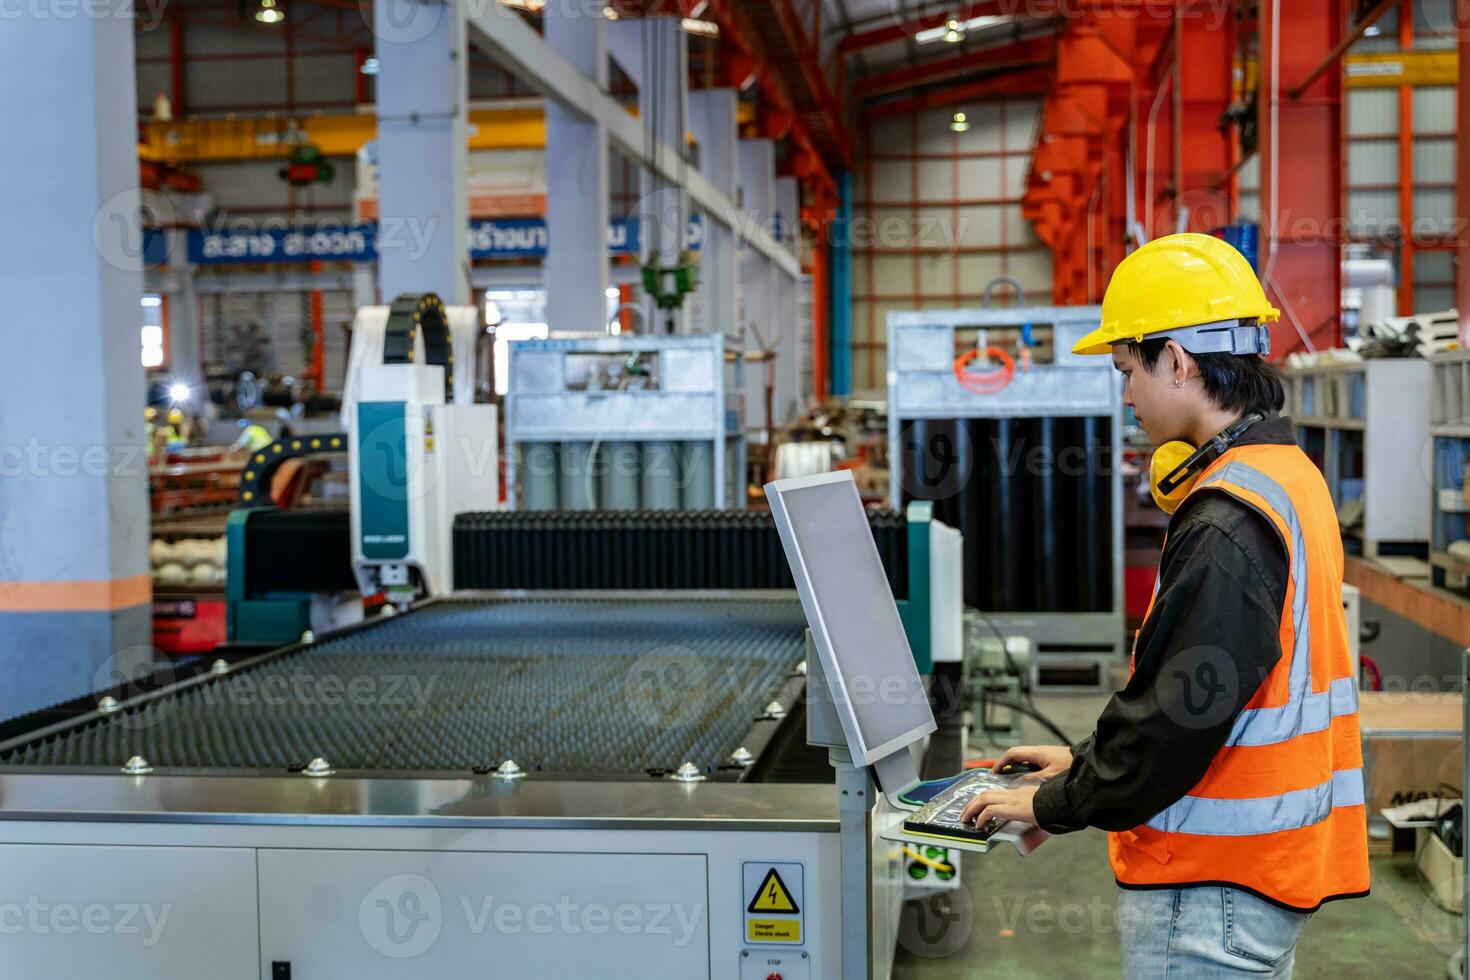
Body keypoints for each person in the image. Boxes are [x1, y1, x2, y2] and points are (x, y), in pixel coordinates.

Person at [960, 233, 1369, 978]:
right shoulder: (1288, 476)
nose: (1125, 397)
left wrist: (1056, 803)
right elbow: (1207, 695)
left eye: (1127, 371)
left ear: (1177, 361)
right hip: (1262, 871)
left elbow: (1179, 718)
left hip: (1208, 889)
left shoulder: (1227, 520)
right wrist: (1082, 766)